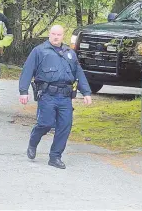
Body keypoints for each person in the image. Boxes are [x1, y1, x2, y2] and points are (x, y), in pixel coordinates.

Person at [18, 25, 93, 169]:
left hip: (65, 96)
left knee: (65, 126)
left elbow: (78, 73)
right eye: (53, 34)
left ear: (63, 36)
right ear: (49, 34)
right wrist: (23, 91)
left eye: (59, 34)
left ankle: (55, 157)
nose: (56, 37)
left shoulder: (69, 53)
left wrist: (86, 93)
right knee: (45, 124)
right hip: (47, 95)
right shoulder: (39, 51)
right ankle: (33, 142)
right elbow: (27, 70)